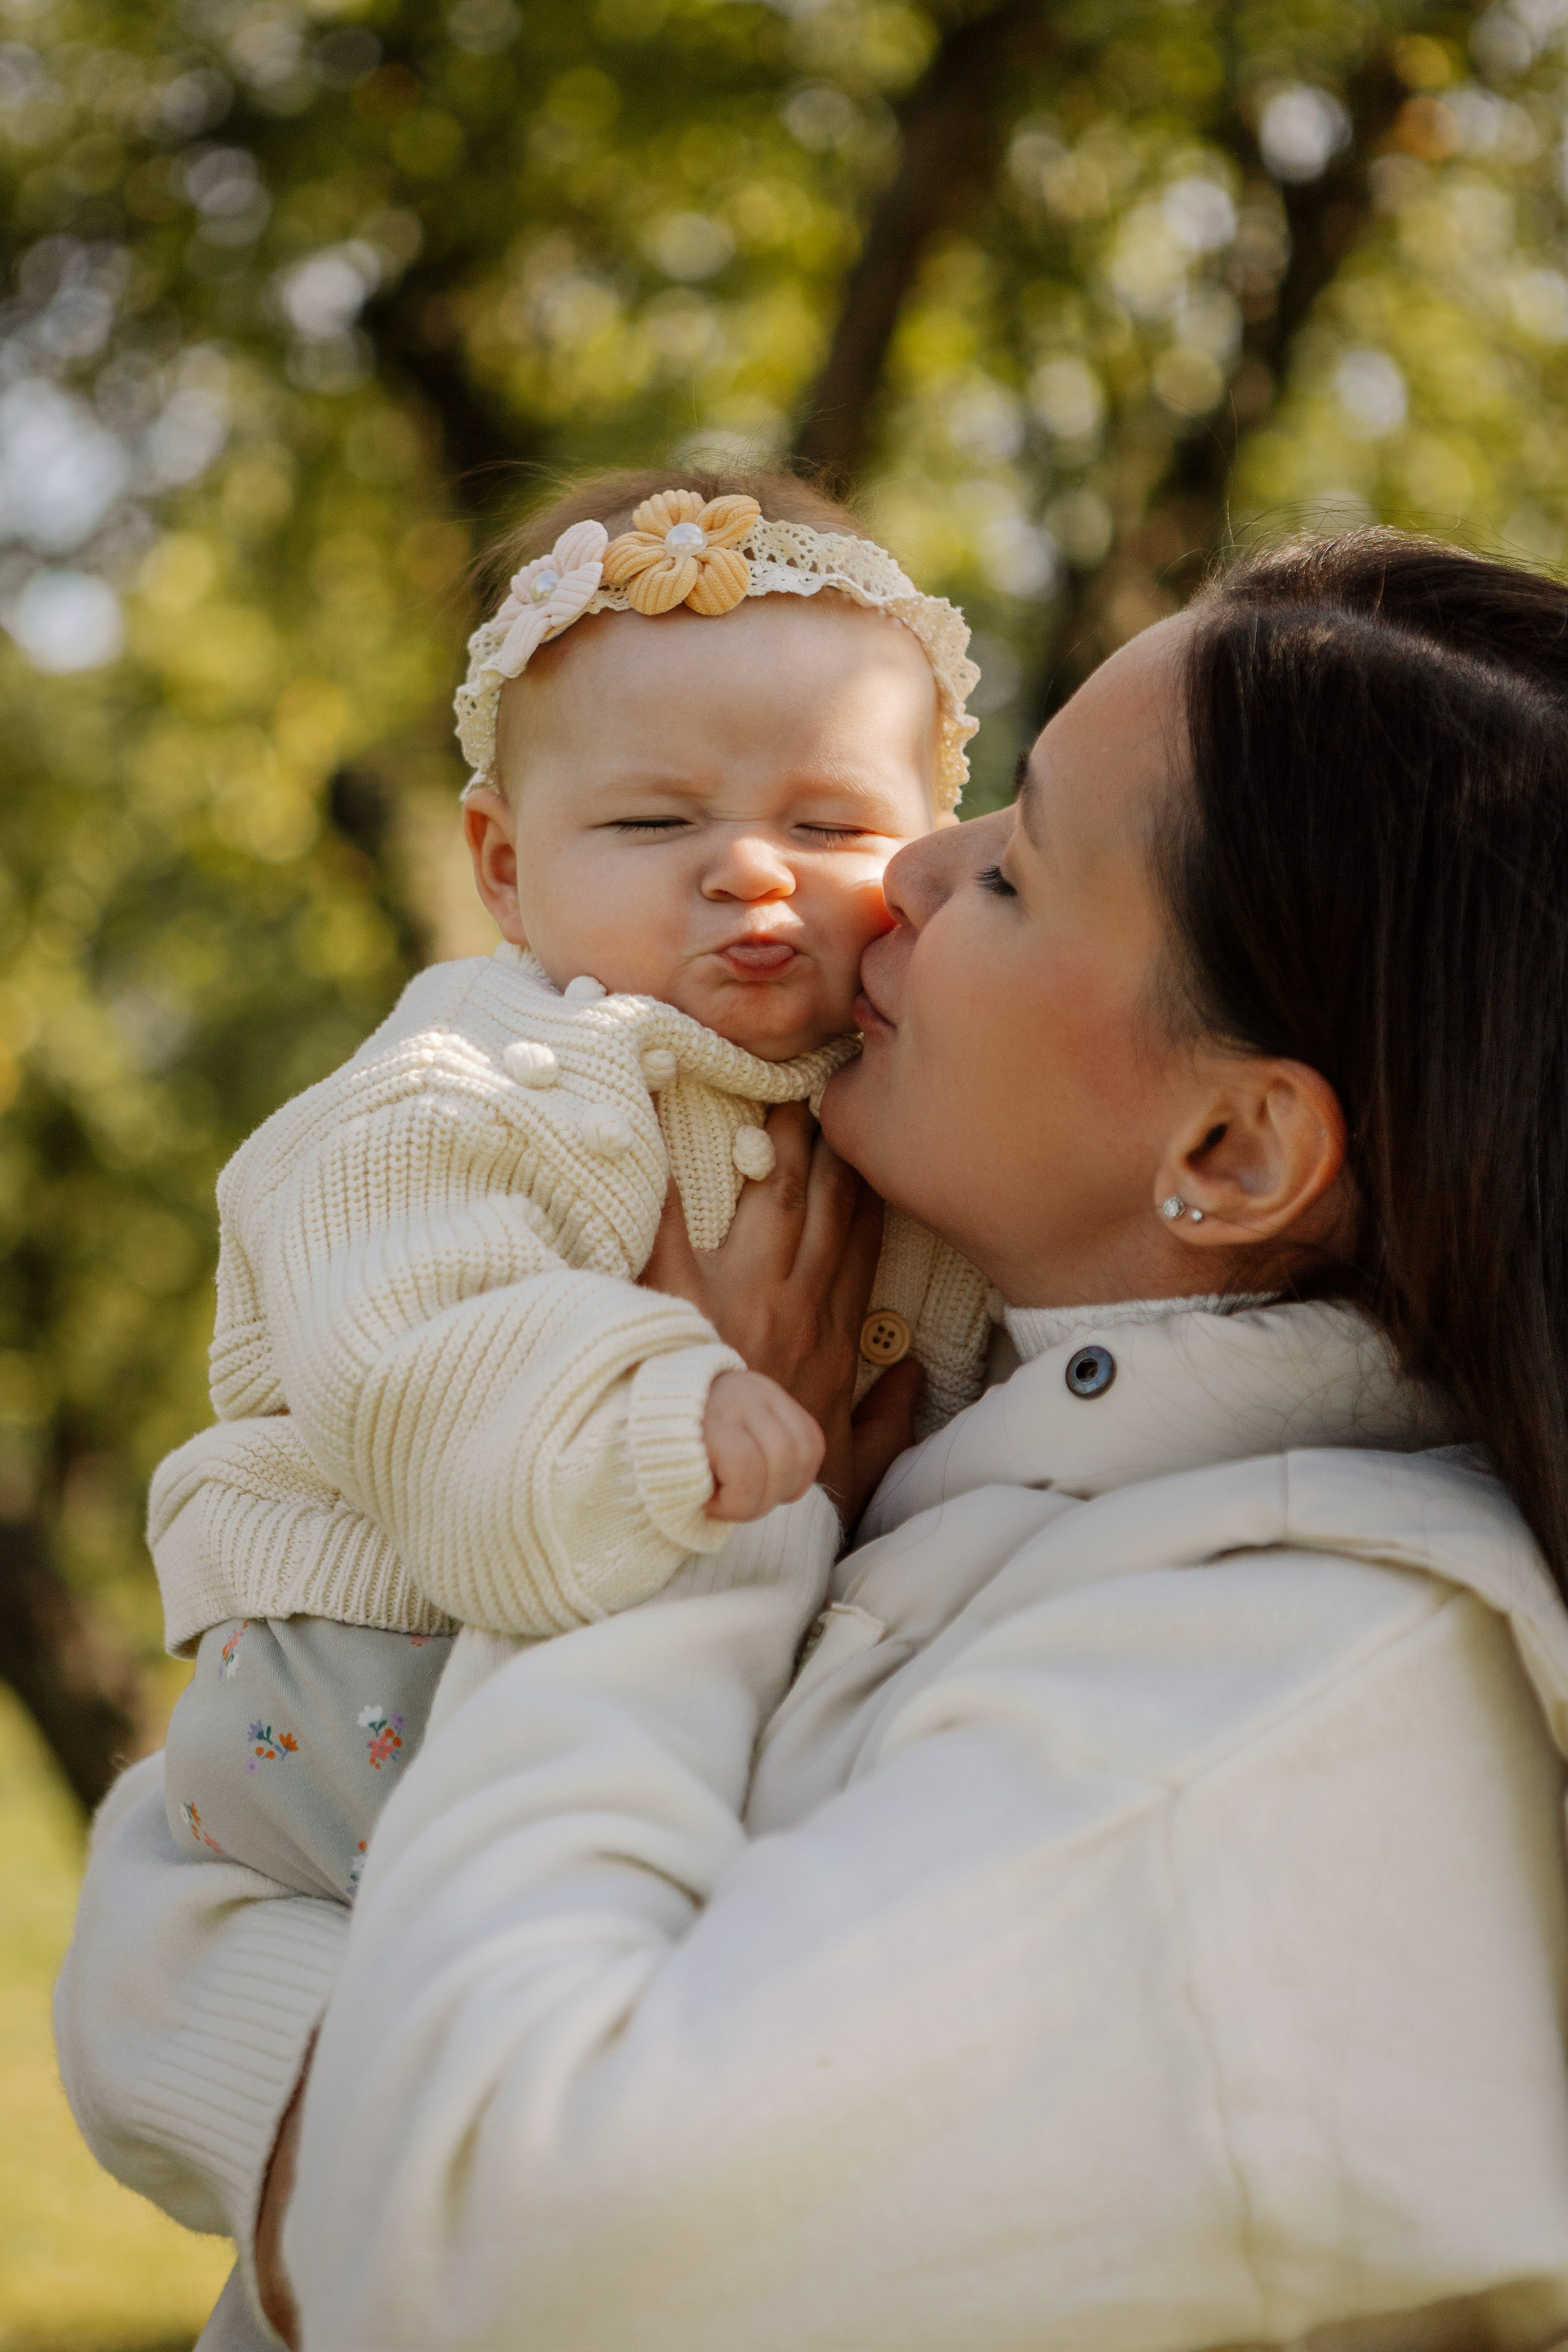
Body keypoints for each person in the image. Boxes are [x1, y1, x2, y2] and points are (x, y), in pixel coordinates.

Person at [58, 530, 1568, 2352]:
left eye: (1012, 869)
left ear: (1234, 1153)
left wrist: (686, 1527)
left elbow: (493, 2266)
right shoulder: (985, 1454)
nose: (906, 871)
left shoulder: (1278, 1702)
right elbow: (164, 1908)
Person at [144, 466, 993, 1915]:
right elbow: (409, 1340)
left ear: (927, 855)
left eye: (830, 827)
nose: (745, 870)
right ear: (505, 867)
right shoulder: (475, 1077)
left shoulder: (917, 1093)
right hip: (370, 1667)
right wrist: (650, 1404)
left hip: (680, 1685)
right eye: (654, 826)